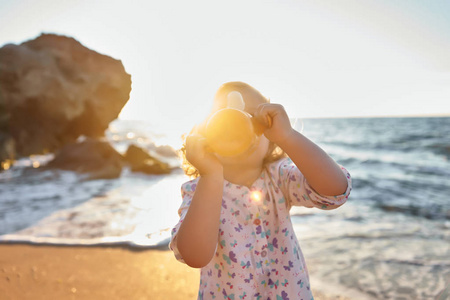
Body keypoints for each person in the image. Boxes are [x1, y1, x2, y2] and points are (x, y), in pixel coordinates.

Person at [169, 81, 352, 299]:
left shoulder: (279, 177)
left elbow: (335, 193)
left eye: (255, 119)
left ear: (271, 137)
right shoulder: (200, 189)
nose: (241, 126)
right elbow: (194, 255)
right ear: (205, 138)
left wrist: (288, 137)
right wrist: (210, 175)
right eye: (225, 121)